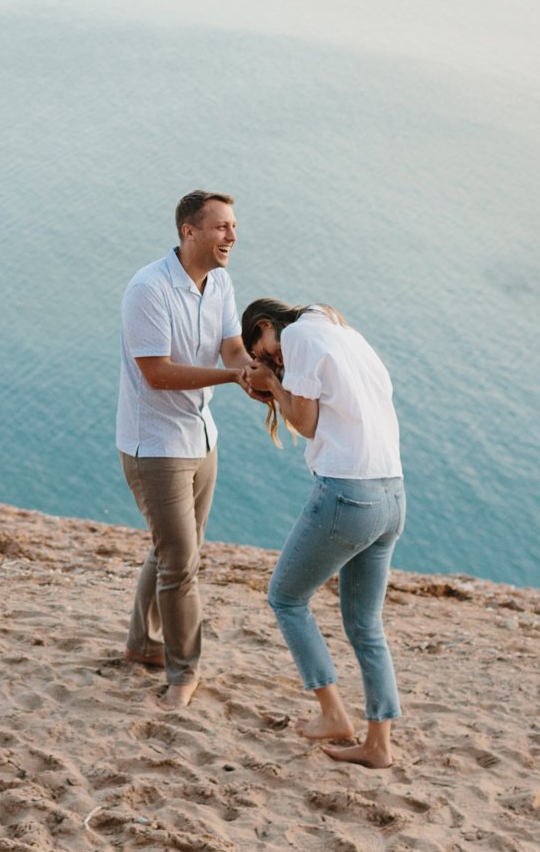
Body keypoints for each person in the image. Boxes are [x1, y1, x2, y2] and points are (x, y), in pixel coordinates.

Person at [239, 296, 405, 767]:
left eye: (263, 349)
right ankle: (378, 745)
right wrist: (275, 378)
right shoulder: (346, 335)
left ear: (268, 326)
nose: (272, 358)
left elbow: (307, 425)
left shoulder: (297, 335)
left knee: (286, 599)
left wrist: (271, 381)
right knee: (366, 626)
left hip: (349, 495)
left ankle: (333, 713)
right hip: (392, 493)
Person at [116, 191, 254, 710]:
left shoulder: (219, 282)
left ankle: (141, 643)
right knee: (180, 563)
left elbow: (231, 345)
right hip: (155, 445)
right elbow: (159, 373)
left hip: (202, 436)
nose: (232, 237)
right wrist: (233, 376)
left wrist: (254, 370)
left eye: (234, 227)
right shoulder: (148, 289)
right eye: (221, 228)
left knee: (176, 550)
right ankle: (183, 671)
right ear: (188, 232)